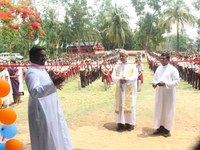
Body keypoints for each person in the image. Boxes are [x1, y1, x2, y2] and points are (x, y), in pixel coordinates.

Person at [25, 45, 73, 150]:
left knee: (55, 134)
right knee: (46, 137)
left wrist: (52, 82)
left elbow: (45, 85)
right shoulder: (31, 72)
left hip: (50, 107)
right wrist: (52, 84)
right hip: (42, 111)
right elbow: (34, 92)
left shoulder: (40, 69)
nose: (44, 58)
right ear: (32, 57)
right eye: (41, 56)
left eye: (45, 56)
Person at [152, 52, 180, 137]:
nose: (162, 60)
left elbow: (176, 81)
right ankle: (160, 127)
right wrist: (154, 83)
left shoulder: (173, 69)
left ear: (168, 59)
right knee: (159, 109)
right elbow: (155, 79)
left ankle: (167, 129)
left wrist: (165, 83)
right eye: (161, 58)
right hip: (160, 93)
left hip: (169, 93)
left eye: (164, 58)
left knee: (168, 110)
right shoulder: (158, 68)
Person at [111, 49, 138, 132]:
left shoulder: (132, 65)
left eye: (123, 56)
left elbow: (135, 76)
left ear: (127, 56)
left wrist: (126, 79)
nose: (121, 57)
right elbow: (113, 76)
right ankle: (120, 123)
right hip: (120, 88)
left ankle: (129, 124)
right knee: (120, 105)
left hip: (128, 89)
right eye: (120, 56)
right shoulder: (117, 65)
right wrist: (119, 79)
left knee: (128, 106)